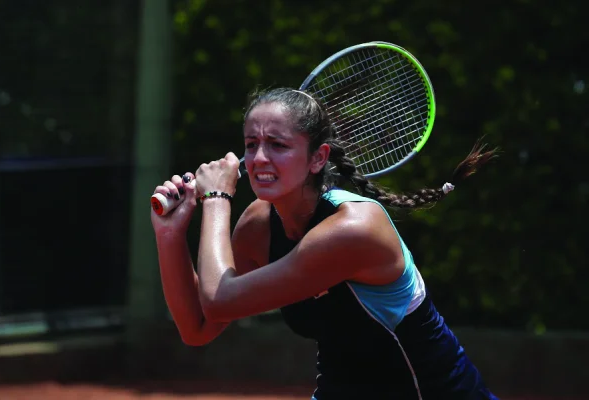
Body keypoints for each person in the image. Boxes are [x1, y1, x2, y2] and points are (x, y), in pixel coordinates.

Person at [151, 87, 499, 400]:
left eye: (278, 145)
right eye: (251, 144)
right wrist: (170, 234)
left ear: (318, 158)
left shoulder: (354, 228)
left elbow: (218, 301)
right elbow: (197, 326)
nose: (258, 159)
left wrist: (215, 197)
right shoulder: (258, 226)